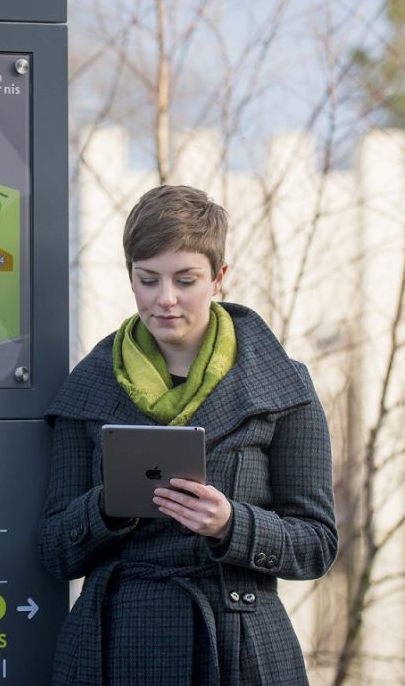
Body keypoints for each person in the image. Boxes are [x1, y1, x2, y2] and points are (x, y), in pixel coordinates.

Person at [39, 184, 337, 685]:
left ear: (219, 277)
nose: (166, 299)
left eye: (186, 280)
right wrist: (108, 508)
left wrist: (231, 524)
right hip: (114, 647)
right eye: (148, 280)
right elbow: (53, 550)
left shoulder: (283, 386)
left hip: (237, 649)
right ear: (131, 277)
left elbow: (317, 545)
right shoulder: (87, 388)